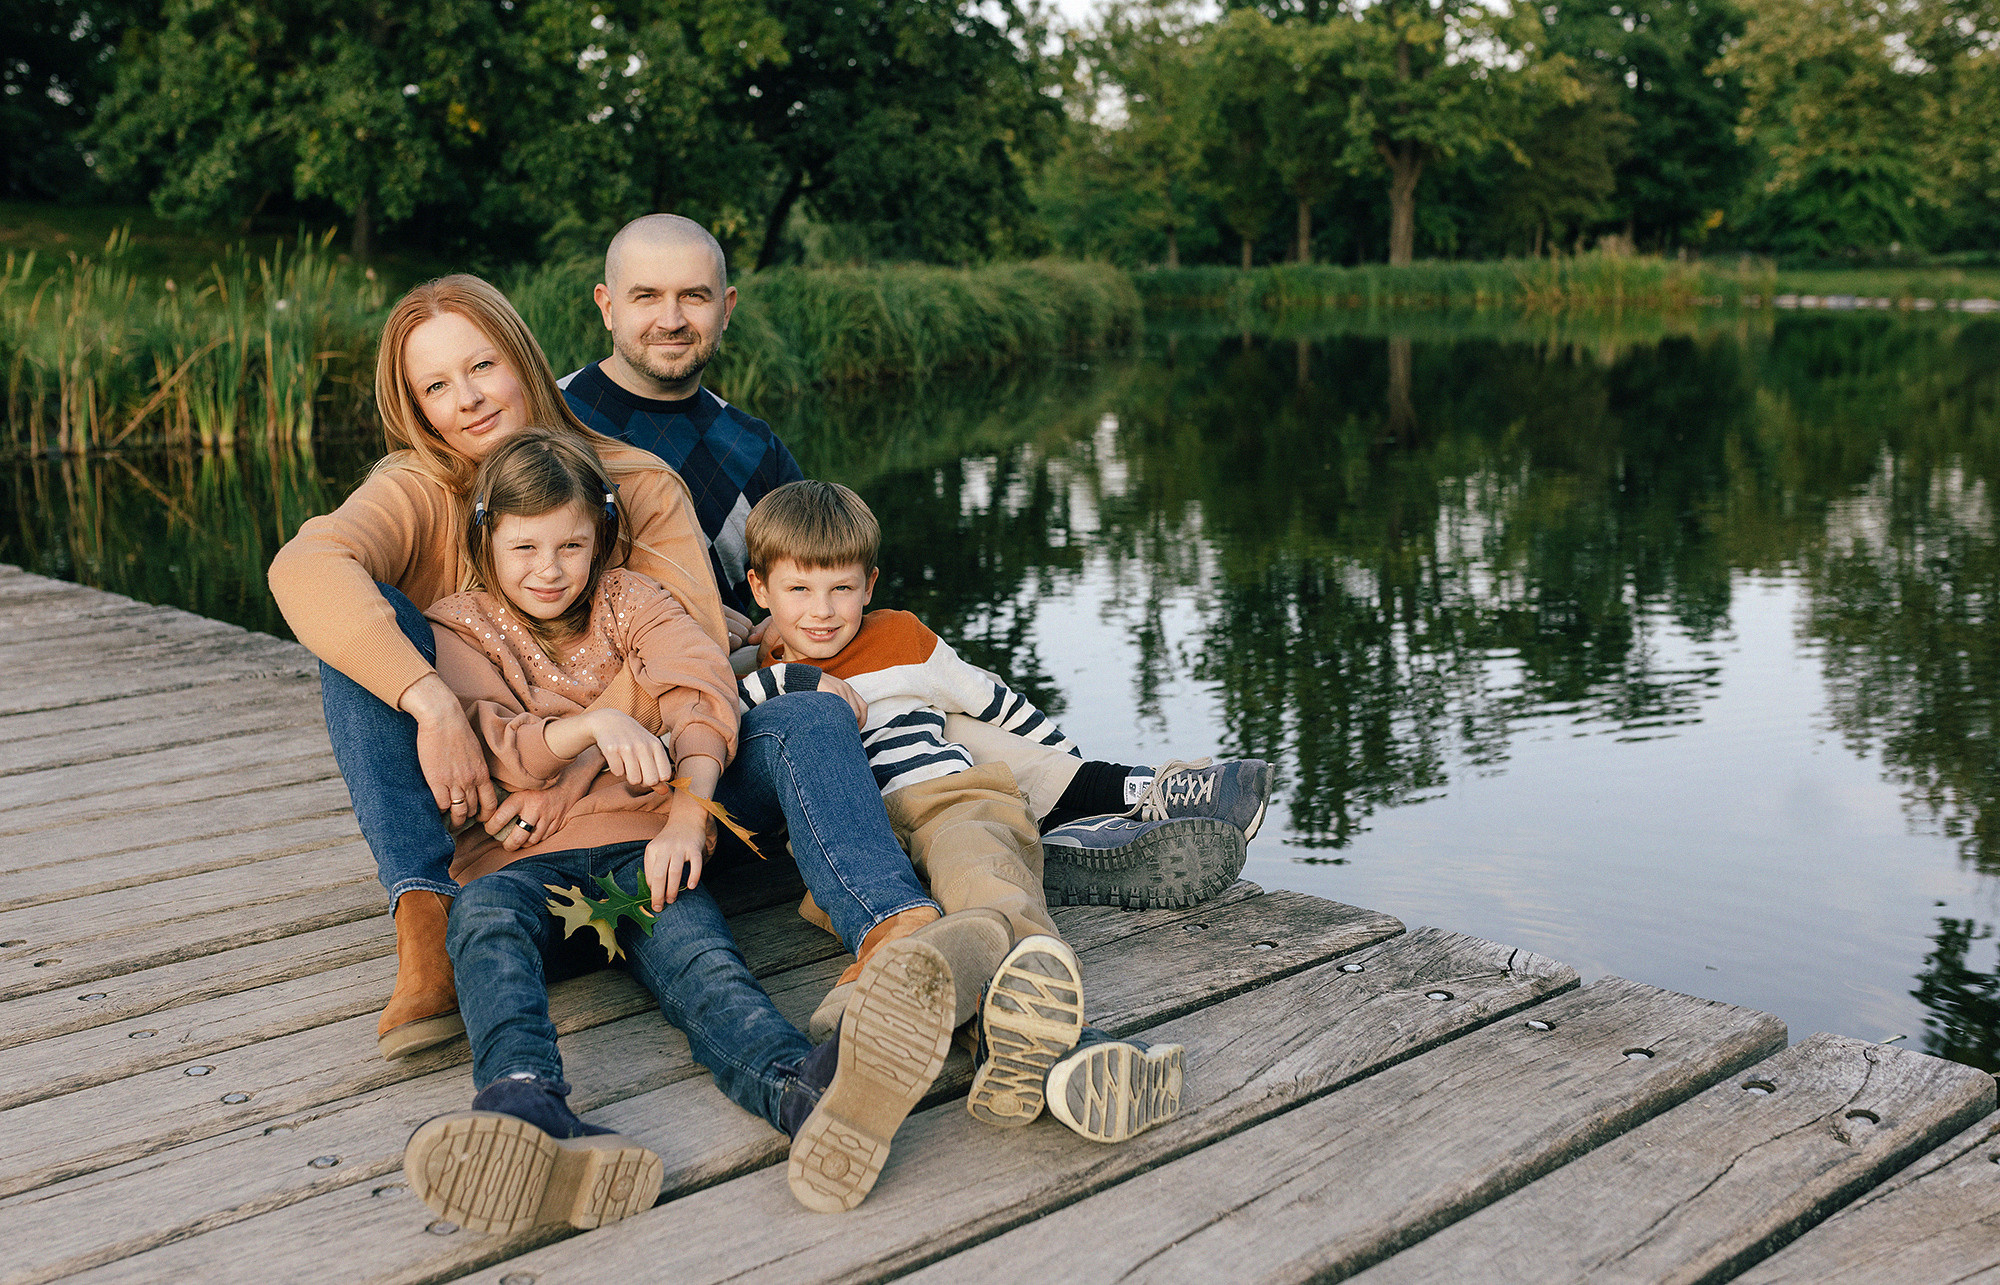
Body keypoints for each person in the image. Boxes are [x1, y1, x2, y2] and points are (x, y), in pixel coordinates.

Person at [264, 275, 994, 1084]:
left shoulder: (634, 483)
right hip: (501, 822)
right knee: (361, 635)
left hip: (663, 794)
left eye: (483, 365)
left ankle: (894, 930)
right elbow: (305, 565)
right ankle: (426, 916)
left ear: (525, 360)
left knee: (806, 719)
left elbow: (694, 660)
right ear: (414, 404)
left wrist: (567, 775)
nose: (467, 400)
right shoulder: (416, 488)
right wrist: (431, 702)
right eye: (436, 385)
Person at [557, 214, 1272, 899]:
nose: (672, 317)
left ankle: (1114, 807)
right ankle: (1101, 803)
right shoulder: (557, 425)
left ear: (727, 306)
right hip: (661, 718)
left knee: (911, 687)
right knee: (894, 705)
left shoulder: (751, 443)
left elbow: (806, 568)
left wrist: (774, 625)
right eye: (647, 295)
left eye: (695, 296)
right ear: (606, 305)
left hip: (763, 678)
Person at [399, 429, 1003, 1223]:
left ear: (602, 536)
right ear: (487, 539)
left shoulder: (630, 598)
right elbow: (493, 751)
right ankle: (524, 1103)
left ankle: (809, 1088)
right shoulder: (458, 624)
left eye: (572, 544)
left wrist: (686, 817)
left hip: (642, 849)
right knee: (483, 923)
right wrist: (591, 730)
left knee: (708, 968)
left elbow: (701, 692)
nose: (549, 568)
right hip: (521, 867)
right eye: (525, 547)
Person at [742, 479, 1186, 1144]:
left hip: (946, 798)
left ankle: (1058, 1038)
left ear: (870, 583)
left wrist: (1066, 766)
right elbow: (724, 717)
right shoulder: (760, 673)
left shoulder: (902, 636)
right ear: (759, 589)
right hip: (861, 843)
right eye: (799, 590)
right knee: (921, 941)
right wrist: (805, 678)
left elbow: (994, 702)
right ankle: (968, 1047)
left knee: (989, 889)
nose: (823, 611)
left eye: (841, 588)